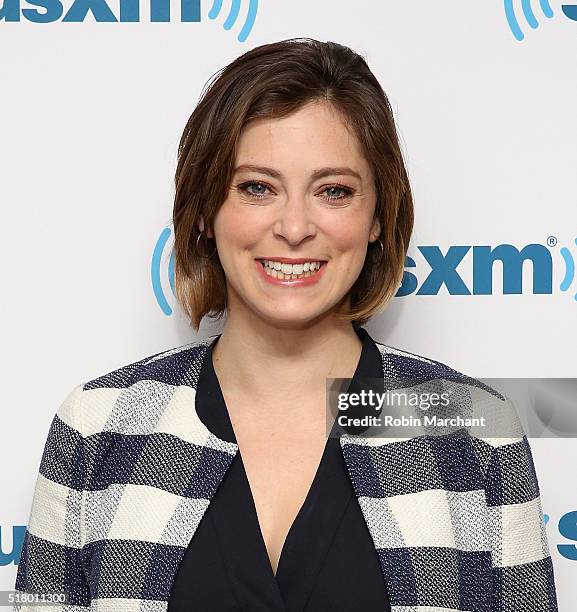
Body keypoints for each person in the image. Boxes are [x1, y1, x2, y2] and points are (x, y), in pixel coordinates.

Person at [14, 38, 558, 611]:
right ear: (204, 211)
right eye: (257, 187)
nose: (294, 227)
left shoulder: (475, 431)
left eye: (334, 191)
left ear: (377, 216)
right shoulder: (99, 426)